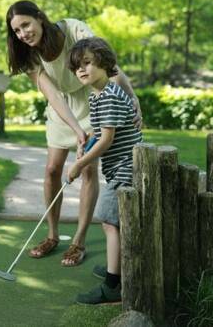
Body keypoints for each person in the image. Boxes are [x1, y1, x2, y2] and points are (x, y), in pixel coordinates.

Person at [6, 0, 141, 267]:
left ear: (40, 18)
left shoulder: (74, 29)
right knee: (52, 170)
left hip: (92, 99)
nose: (23, 34)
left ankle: (78, 241)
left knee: (88, 170)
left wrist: (131, 97)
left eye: (25, 25)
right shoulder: (29, 53)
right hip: (62, 109)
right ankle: (52, 235)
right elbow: (53, 95)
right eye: (17, 31)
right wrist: (77, 130)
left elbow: (105, 65)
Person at [66, 36, 142, 303]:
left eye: (87, 62)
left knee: (110, 223)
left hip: (125, 168)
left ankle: (112, 286)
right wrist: (86, 141)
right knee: (113, 222)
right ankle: (117, 270)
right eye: (77, 67)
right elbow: (101, 133)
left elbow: (108, 139)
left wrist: (79, 164)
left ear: (104, 62)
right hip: (119, 166)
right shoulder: (98, 95)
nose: (82, 70)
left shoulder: (108, 95)